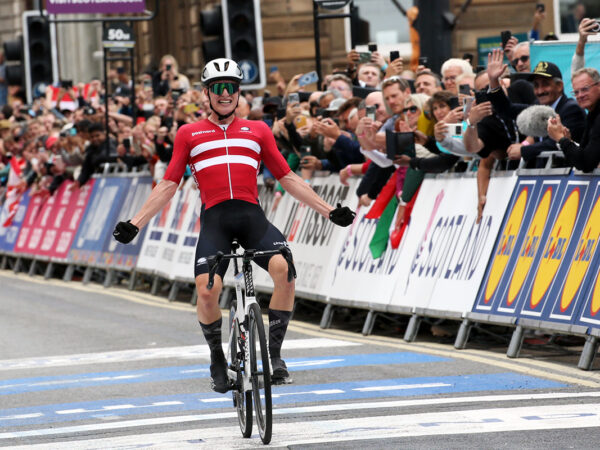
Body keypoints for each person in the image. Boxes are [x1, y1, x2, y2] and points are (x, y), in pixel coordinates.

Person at [112, 58, 355, 393]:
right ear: (206, 93)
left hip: (252, 218)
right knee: (206, 290)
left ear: (239, 92)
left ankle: (274, 355)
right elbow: (168, 184)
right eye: (218, 88)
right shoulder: (188, 133)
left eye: (231, 87)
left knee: (285, 271)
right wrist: (135, 223)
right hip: (216, 222)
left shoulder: (258, 130)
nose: (225, 94)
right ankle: (216, 358)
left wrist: (329, 211)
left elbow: (287, 177)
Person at [548, 67, 600, 172]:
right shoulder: (592, 114)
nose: (580, 95)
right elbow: (584, 155)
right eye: (576, 92)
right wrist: (567, 140)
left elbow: (586, 163)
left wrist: (561, 139)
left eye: (585, 89)